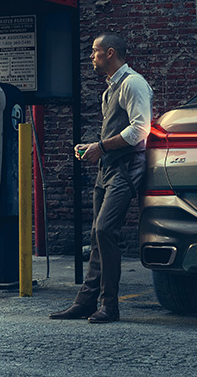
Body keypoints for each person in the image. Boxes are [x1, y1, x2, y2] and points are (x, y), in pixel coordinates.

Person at [49, 33, 153, 324]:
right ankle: (85, 302)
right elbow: (116, 131)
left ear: (110, 53)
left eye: (94, 52)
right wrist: (93, 147)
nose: (90, 57)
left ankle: (110, 306)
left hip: (126, 169)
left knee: (105, 231)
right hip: (107, 169)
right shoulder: (110, 89)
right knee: (97, 235)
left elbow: (140, 131)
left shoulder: (133, 84)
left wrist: (102, 146)